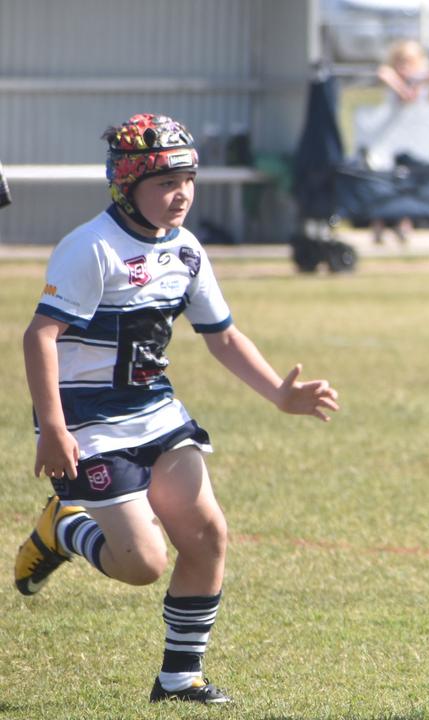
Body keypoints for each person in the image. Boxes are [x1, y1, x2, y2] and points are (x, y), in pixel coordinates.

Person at [14, 113, 341, 704]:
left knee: (207, 535)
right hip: (88, 422)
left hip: (157, 413)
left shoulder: (186, 249)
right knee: (142, 563)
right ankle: (64, 527)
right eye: (165, 182)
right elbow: (39, 337)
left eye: (188, 178)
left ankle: (179, 679)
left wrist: (279, 393)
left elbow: (221, 336)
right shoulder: (92, 248)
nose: (181, 193)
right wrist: (53, 428)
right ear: (126, 187)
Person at [371, 39, 429, 245]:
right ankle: (379, 224)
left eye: (410, 61)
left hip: (417, 144)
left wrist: (419, 81)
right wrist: (402, 87)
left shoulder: (423, 81)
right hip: (390, 142)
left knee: (410, 183)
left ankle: (405, 223)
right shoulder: (392, 79)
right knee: (383, 180)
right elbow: (383, 72)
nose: (405, 66)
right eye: (400, 61)